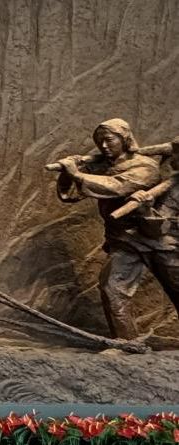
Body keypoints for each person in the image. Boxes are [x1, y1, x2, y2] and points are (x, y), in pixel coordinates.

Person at [53, 119, 179, 340]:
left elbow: (117, 187)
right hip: (125, 240)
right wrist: (67, 171)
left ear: (125, 139)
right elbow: (72, 194)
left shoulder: (144, 167)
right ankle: (127, 343)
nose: (104, 146)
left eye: (109, 140)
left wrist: (78, 175)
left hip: (157, 239)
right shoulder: (100, 166)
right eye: (99, 141)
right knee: (112, 288)